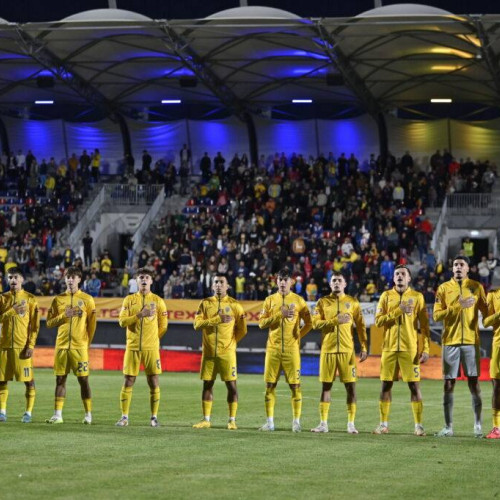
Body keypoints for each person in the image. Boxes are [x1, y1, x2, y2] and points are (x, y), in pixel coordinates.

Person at [433, 255, 488, 437]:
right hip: (450, 341)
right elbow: (436, 316)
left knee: (474, 383)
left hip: (471, 342)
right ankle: (448, 427)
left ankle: (478, 426)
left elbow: (486, 312)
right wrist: (458, 306)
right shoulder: (443, 288)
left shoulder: (476, 287)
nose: (457, 267)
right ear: (452, 268)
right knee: (448, 384)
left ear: (467, 268)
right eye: (455, 264)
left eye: (461, 264)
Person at [372, 265, 430, 436]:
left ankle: (419, 425)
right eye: (397, 274)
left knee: (414, 386)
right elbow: (378, 321)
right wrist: (399, 310)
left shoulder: (417, 297)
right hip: (389, 348)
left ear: (409, 278)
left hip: (409, 349)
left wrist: (426, 349)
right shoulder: (385, 296)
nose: (399, 276)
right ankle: (383, 424)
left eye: (403, 274)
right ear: (393, 278)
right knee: (385, 385)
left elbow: (424, 327)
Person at [310, 272, 368, 434]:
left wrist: (364, 346)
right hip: (328, 350)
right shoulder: (322, 302)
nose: (336, 283)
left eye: (339, 280)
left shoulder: (352, 302)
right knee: (326, 386)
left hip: (347, 351)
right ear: (330, 284)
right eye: (334, 280)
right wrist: (335, 321)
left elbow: (361, 326)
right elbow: (315, 324)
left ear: (344, 284)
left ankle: (351, 424)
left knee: (351, 387)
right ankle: (323, 424)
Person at [258, 268, 312, 432]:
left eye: (285, 279)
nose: (282, 282)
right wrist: (278, 316)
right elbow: (261, 323)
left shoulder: (298, 300)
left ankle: (296, 422)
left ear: (291, 282)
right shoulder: (269, 300)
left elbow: (309, 323)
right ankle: (270, 423)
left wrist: (298, 335)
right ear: (276, 281)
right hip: (273, 349)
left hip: (291, 350)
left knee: (295, 386)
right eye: (280, 279)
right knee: (269, 386)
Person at [192, 273, 247, 430]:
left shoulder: (235, 305)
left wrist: (231, 343)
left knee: (231, 386)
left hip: (227, 353)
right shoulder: (205, 304)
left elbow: (242, 330)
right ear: (212, 286)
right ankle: (206, 420)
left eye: (221, 282)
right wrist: (217, 319)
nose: (218, 285)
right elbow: (197, 325)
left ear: (227, 286)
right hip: (209, 353)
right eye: (216, 282)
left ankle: (232, 420)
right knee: (207, 384)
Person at [116, 268, 168, 427]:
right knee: (128, 380)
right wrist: (140, 314)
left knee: (153, 381)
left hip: (151, 348)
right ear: (136, 281)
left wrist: (152, 340)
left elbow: (163, 326)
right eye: (141, 277)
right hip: (132, 347)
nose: (144, 280)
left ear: (151, 281)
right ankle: (124, 417)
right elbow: (122, 322)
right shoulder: (129, 300)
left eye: (147, 277)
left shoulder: (158, 301)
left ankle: (154, 417)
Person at [45, 267, 96, 424]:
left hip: (79, 347)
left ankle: (88, 415)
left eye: (73, 277)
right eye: (68, 277)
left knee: (83, 380)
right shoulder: (58, 299)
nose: (70, 280)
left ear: (79, 279)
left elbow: (92, 325)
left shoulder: (87, 300)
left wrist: (87, 343)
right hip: (61, 346)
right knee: (60, 379)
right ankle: (57, 415)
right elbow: (49, 323)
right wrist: (63, 316)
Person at [0, 268, 40, 423]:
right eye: (10, 277)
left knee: (29, 381)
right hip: (4, 347)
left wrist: (30, 346)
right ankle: (2, 412)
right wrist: (12, 311)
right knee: (2, 380)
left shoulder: (30, 299)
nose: (13, 280)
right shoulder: (3, 298)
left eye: (16, 277)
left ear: (22, 279)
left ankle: (28, 413)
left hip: (22, 347)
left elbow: (34, 326)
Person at [483, 288, 500, 438]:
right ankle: (496, 427)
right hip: (498, 346)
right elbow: (486, 321)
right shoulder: (493, 294)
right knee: (497, 387)